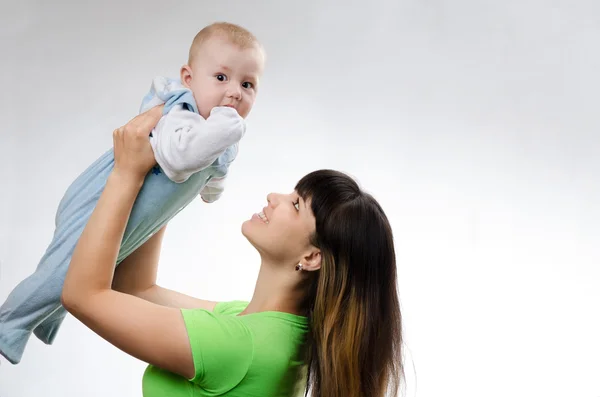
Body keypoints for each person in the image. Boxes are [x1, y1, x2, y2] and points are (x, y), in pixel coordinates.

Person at [60, 106, 405, 397]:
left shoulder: (240, 345)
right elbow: (137, 290)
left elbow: (82, 295)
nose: (274, 197)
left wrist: (127, 173)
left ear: (312, 257)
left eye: (296, 205)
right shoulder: (265, 327)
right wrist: (177, 173)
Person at [0, 21, 265, 365]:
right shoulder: (180, 115)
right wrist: (226, 129)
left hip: (136, 218)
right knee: (63, 268)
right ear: (188, 78)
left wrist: (213, 189)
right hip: (99, 199)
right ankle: (8, 324)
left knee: (97, 268)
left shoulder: (219, 137)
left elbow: (216, 171)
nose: (234, 92)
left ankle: (46, 319)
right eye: (221, 78)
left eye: (248, 84)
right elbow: (180, 159)